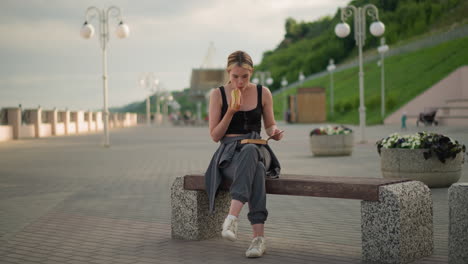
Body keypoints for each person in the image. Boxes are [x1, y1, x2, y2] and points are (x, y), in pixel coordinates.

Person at [204, 50, 283, 258]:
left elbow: (270, 124)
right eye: (235, 76)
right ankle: (258, 239)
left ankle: (232, 217)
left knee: (251, 152)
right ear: (228, 72)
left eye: (245, 77)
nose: (240, 82)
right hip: (230, 153)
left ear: (252, 73)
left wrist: (274, 132)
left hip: (258, 148)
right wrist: (231, 111)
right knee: (255, 170)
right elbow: (215, 135)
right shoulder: (218, 94)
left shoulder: (263, 92)